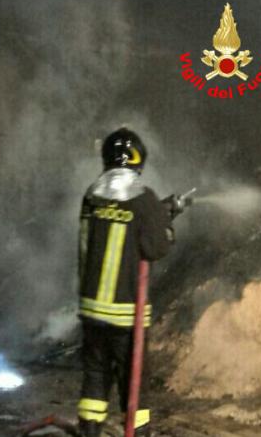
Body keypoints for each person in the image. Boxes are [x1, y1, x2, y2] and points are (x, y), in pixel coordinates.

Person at [76, 127, 173, 437]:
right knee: (134, 386)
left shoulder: (92, 195)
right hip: (126, 315)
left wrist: (158, 214)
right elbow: (155, 247)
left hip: (92, 311)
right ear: (138, 159)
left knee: (95, 379)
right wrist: (165, 222)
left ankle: (89, 431)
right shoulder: (144, 200)